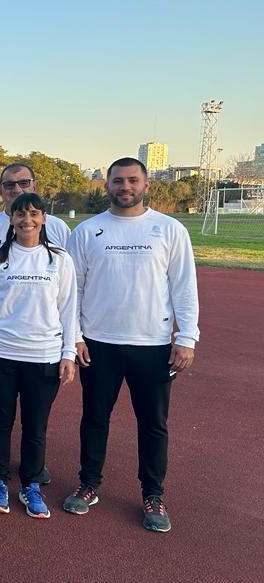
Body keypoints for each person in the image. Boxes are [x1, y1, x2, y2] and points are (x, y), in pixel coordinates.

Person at [63, 157, 198, 533]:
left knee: (153, 423)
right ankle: (89, 485)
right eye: (118, 181)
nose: (125, 187)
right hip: (98, 343)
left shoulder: (169, 229)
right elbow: (72, 290)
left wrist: (186, 337)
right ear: (107, 185)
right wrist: (74, 335)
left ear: (146, 185)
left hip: (152, 344)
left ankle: (153, 495)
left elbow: (184, 287)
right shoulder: (88, 232)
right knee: (94, 418)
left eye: (132, 180)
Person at [0, 194, 77, 519]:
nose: (26, 220)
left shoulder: (58, 259)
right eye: (20, 214)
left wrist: (68, 353)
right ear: (11, 218)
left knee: (35, 426)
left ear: (43, 218)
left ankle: (31, 483)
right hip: (1, 353)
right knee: (0, 422)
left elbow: (69, 309)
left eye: (33, 214)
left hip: (43, 355)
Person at [0, 162, 70, 252]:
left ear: (35, 186)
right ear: (0, 190)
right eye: (9, 184)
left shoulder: (58, 227)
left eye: (24, 183)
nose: (17, 190)